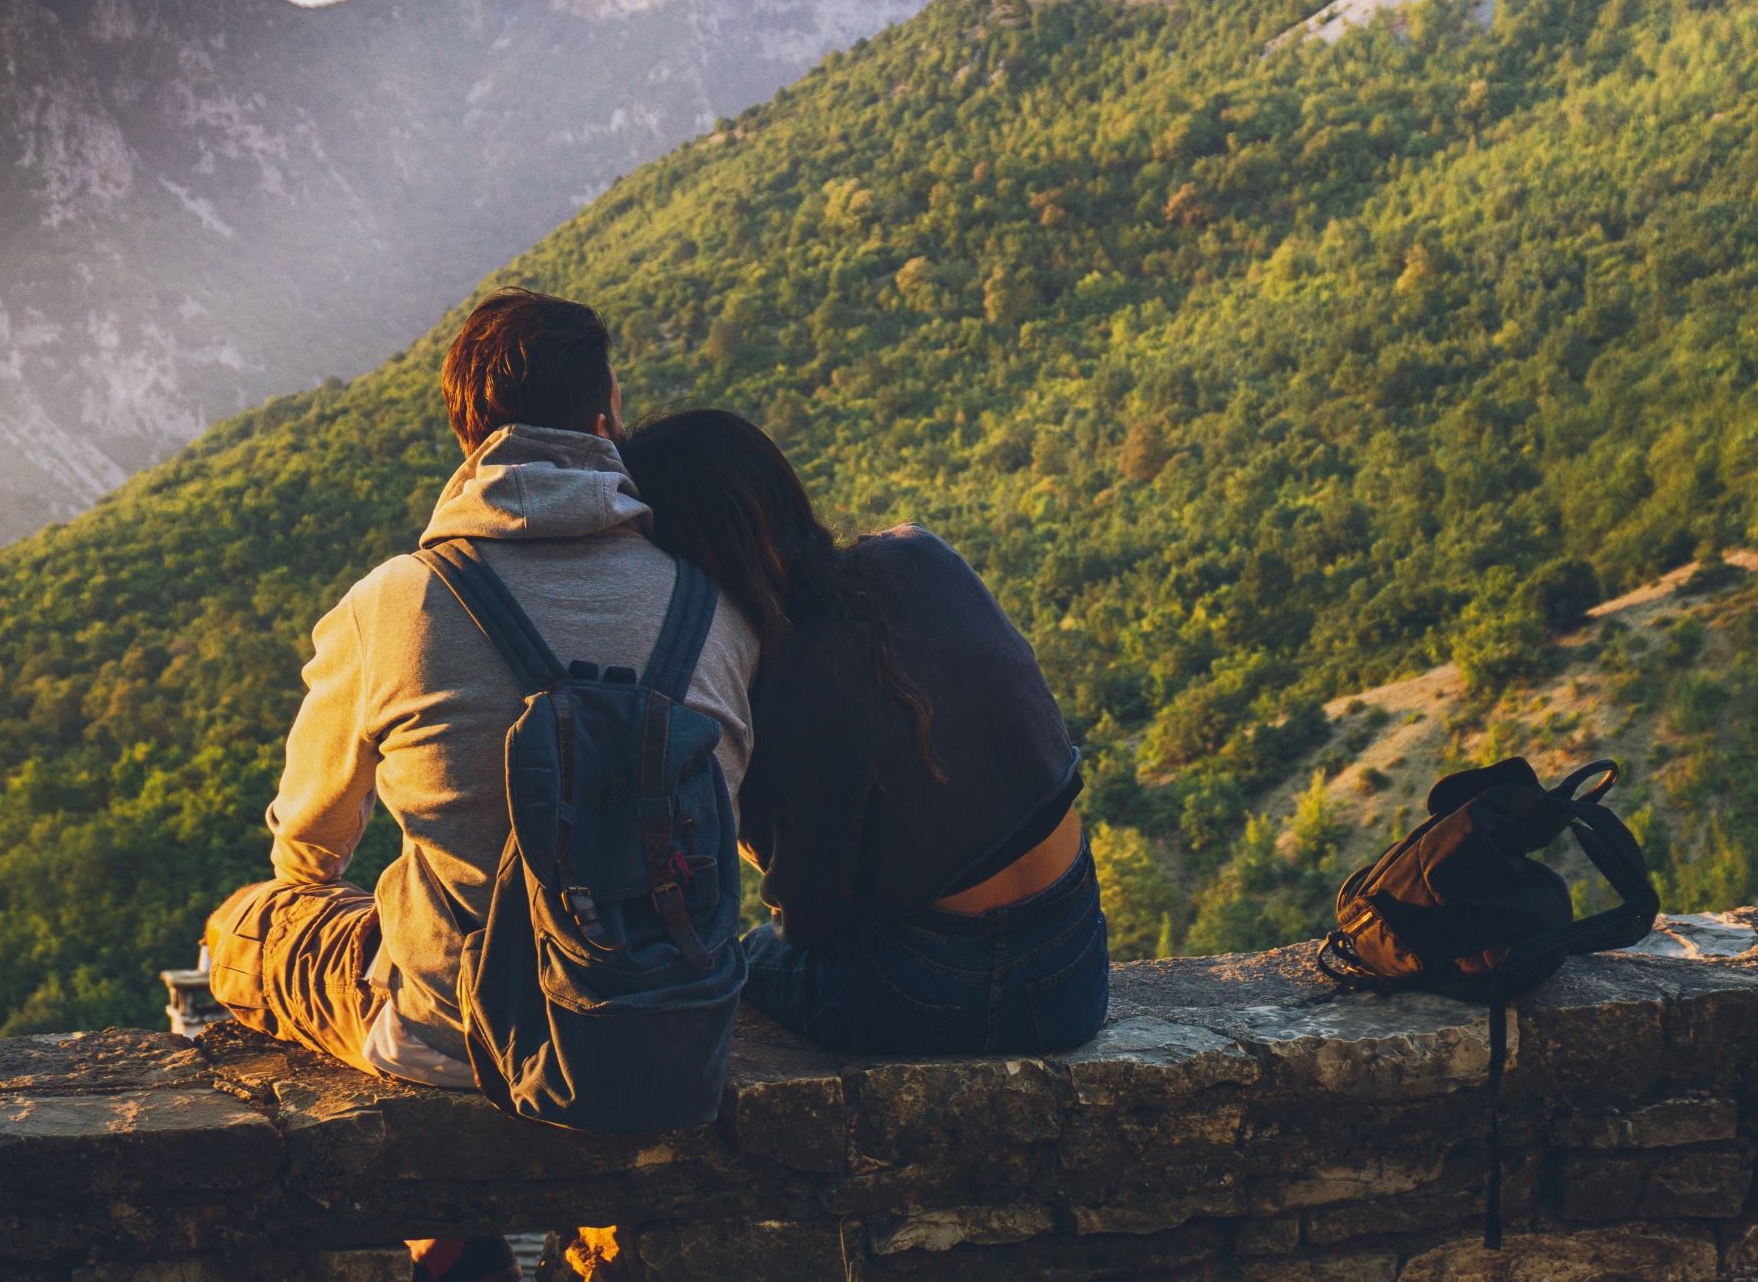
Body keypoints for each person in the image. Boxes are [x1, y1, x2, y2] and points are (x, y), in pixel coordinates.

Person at [201, 292, 758, 1282]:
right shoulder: (707, 605)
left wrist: (335, 877)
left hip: (445, 1030)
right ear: (605, 422)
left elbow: (309, 839)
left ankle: (447, 1245)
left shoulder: (393, 600)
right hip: (658, 1021)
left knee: (243, 923)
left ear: (466, 436)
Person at [620, 408, 1108, 1056]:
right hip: (1078, 961)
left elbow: (815, 922)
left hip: (937, 986)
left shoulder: (789, 679)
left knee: (742, 960)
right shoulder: (918, 553)